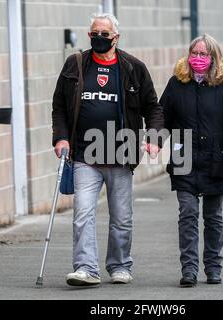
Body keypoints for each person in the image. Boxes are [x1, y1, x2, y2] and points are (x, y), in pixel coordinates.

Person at [52, 13, 163, 286]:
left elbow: (153, 107)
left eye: (104, 34)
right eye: (94, 34)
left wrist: (154, 137)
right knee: (83, 213)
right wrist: (61, 138)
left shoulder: (132, 67)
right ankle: (86, 268)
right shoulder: (75, 65)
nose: (99, 38)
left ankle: (120, 265)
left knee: (121, 217)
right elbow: (59, 107)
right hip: (84, 155)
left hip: (121, 155)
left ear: (116, 37)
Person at [160, 34, 223, 287]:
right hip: (184, 158)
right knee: (187, 213)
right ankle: (189, 269)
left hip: (215, 159)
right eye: (194, 53)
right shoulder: (177, 83)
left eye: (203, 54)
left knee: (213, 217)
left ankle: (213, 267)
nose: (198, 58)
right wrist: (154, 142)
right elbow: (162, 117)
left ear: (213, 58)